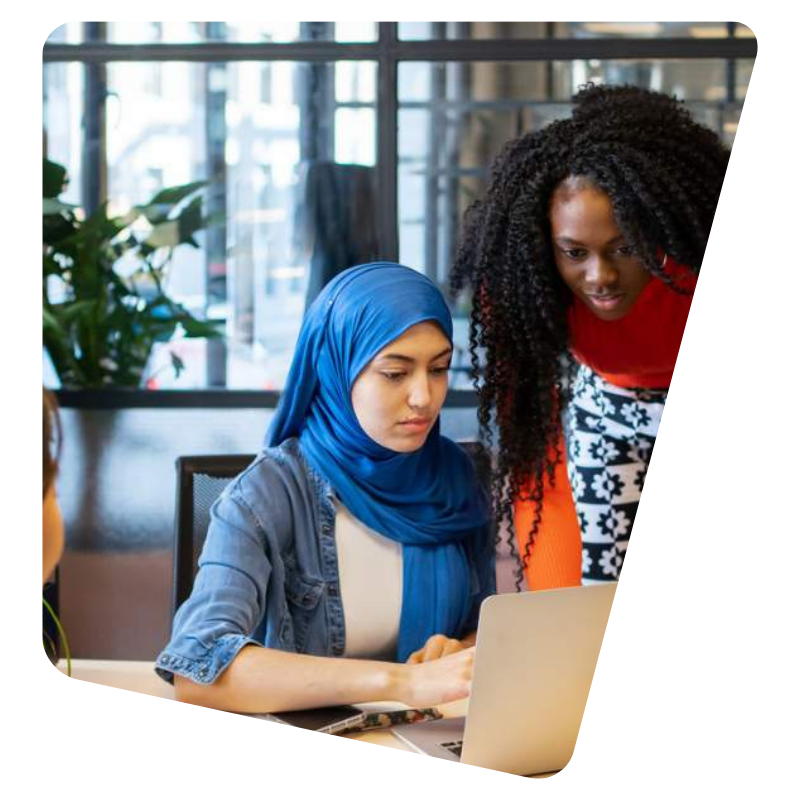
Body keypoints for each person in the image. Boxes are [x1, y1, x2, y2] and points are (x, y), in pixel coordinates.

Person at [156, 262, 495, 712]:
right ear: (337, 368)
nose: (424, 397)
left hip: (427, 732)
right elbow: (197, 670)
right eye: (395, 373)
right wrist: (401, 681)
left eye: (438, 369)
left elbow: (485, 627)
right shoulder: (265, 493)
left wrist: (460, 652)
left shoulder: (457, 477)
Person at [450, 83, 728, 589]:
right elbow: (529, 448)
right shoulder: (523, 283)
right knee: (598, 587)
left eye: (625, 248)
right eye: (575, 253)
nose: (600, 277)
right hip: (607, 408)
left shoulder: (691, 258)